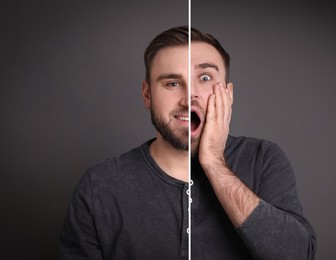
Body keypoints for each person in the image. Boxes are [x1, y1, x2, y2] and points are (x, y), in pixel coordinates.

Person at [60, 26, 317, 260]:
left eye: (205, 78)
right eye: (172, 83)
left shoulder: (263, 158)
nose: (188, 97)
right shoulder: (100, 185)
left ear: (228, 94)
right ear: (147, 95)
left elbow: (298, 255)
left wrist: (214, 162)